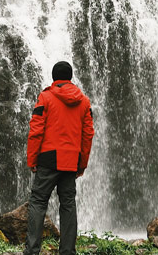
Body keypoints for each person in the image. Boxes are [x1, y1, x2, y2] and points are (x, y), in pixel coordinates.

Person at [23, 60, 95, 255]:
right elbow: (88, 134)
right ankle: (67, 251)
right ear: (70, 77)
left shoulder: (45, 97)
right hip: (71, 159)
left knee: (38, 202)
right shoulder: (84, 101)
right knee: (68, 205)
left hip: (47, 158)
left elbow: (36, 130)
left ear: (54, 77)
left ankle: (32, 251)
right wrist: (82, 163)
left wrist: (32, 159)